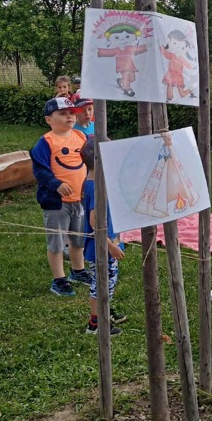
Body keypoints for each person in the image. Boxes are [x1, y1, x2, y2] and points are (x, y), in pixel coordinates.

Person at [30, 96, 96, 296]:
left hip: (80, 199)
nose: (70, 117)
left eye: (72, 113)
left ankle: (78, 270)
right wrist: (56, 184)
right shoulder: (46, 142)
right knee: (57, 242)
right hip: (56, 202)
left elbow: (90, 159)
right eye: (63, 113)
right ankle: (59, 279)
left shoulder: (80, 136)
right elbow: (40, 170)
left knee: (78, 239)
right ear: (49, 119)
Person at [79, 137, 127, 335]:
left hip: (104, 245)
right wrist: (110, 246)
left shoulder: (93, 182)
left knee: (105, 282)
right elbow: (95, 223)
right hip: (101, 248)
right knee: (100, 284)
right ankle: (96, 323)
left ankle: (104, 312)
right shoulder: (96, 188)